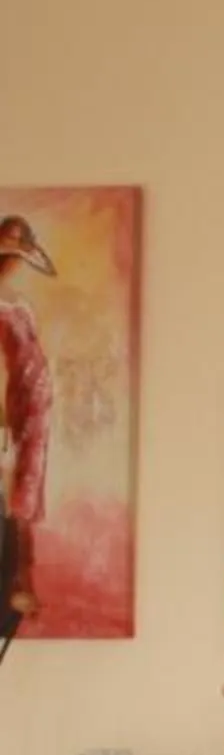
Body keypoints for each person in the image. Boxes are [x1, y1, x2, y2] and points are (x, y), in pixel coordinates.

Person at [0, 213, 58, 630]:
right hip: (11, 418)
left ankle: (18, 585)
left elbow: (28, 373)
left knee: (16, 503)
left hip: (19, 420)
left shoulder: (18, 307)